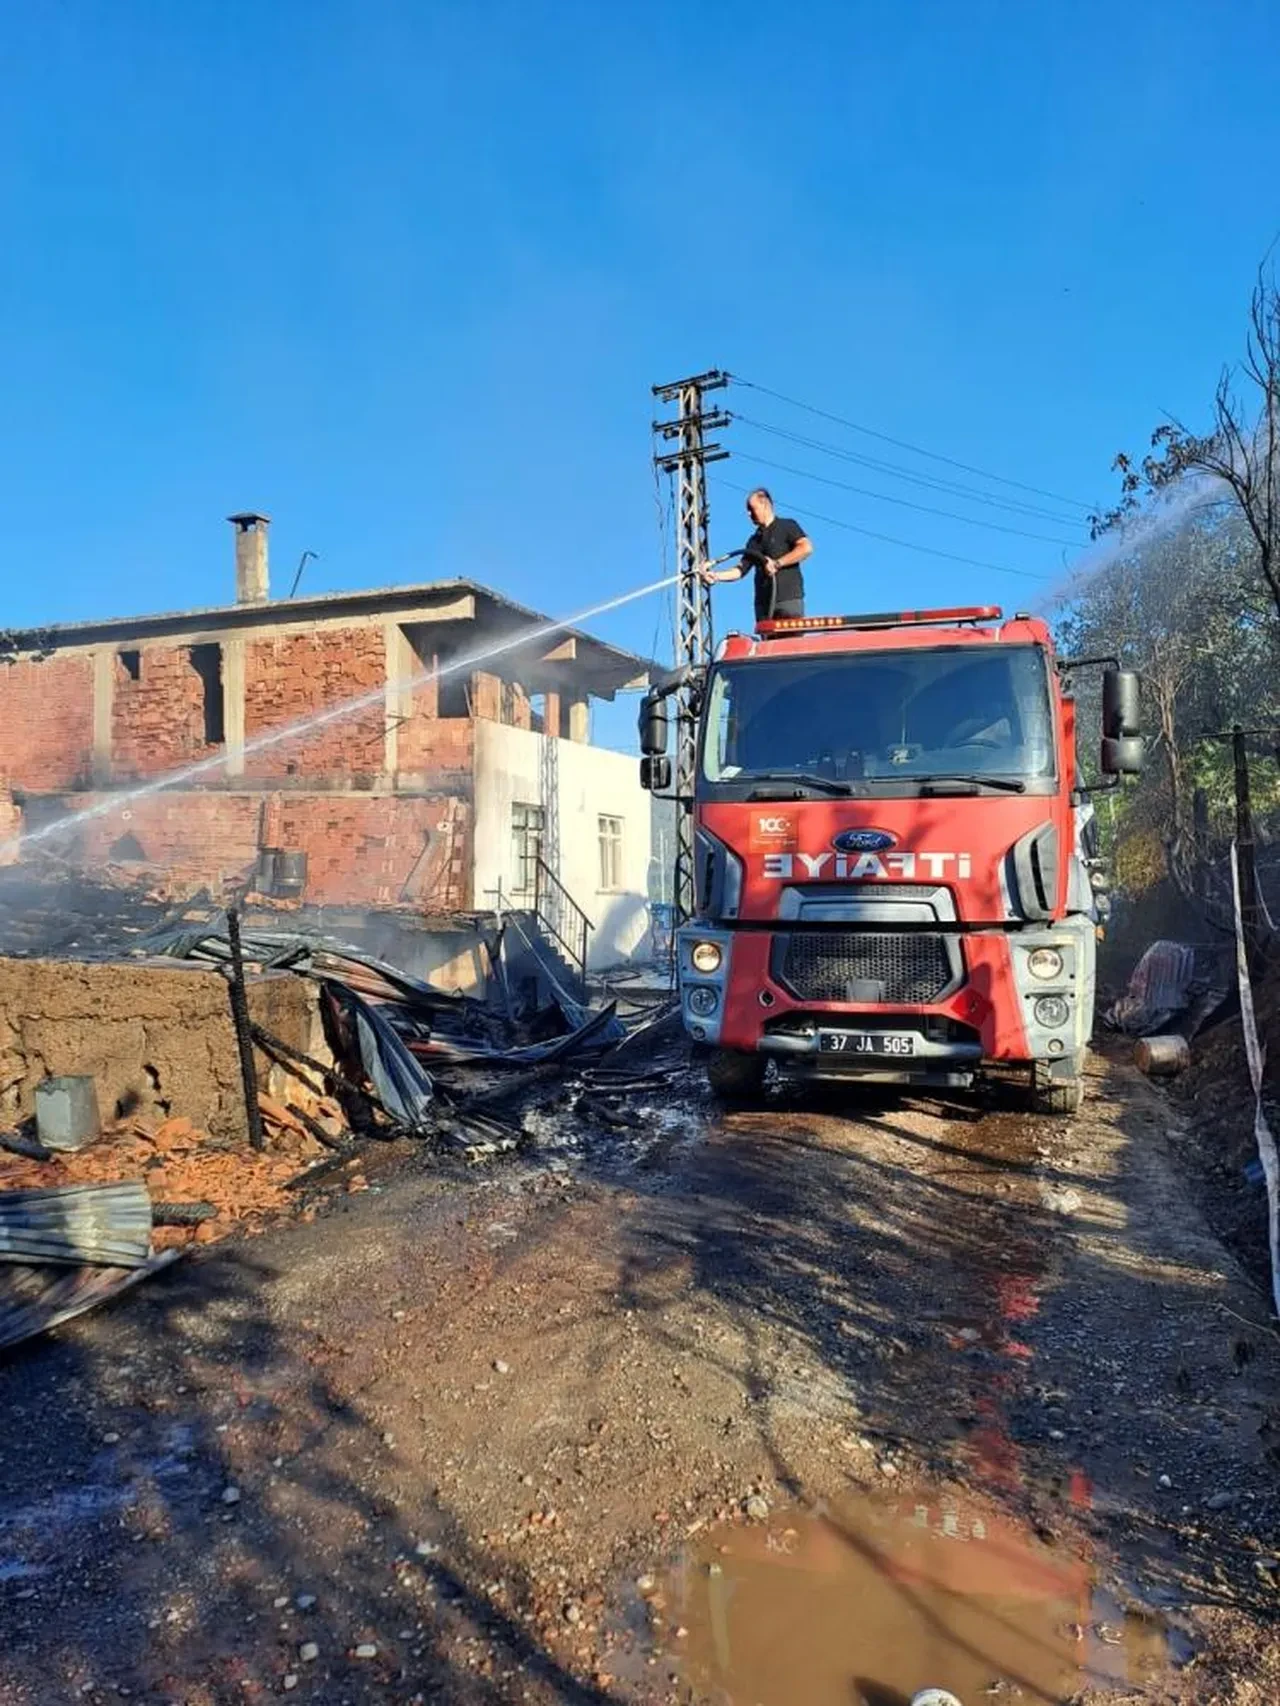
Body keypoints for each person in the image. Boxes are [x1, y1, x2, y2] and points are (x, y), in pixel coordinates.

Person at [701, 488, 813, 621]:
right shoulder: (753, 541)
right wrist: (716, 576)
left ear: (765, 505)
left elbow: (806, 548)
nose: (749, 514)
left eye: (751, 508)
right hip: (763, 605)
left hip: (788, 599)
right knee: (767, 642)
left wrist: (778, 564)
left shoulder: (787, 526)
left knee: (790, 641)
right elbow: (740, 570)